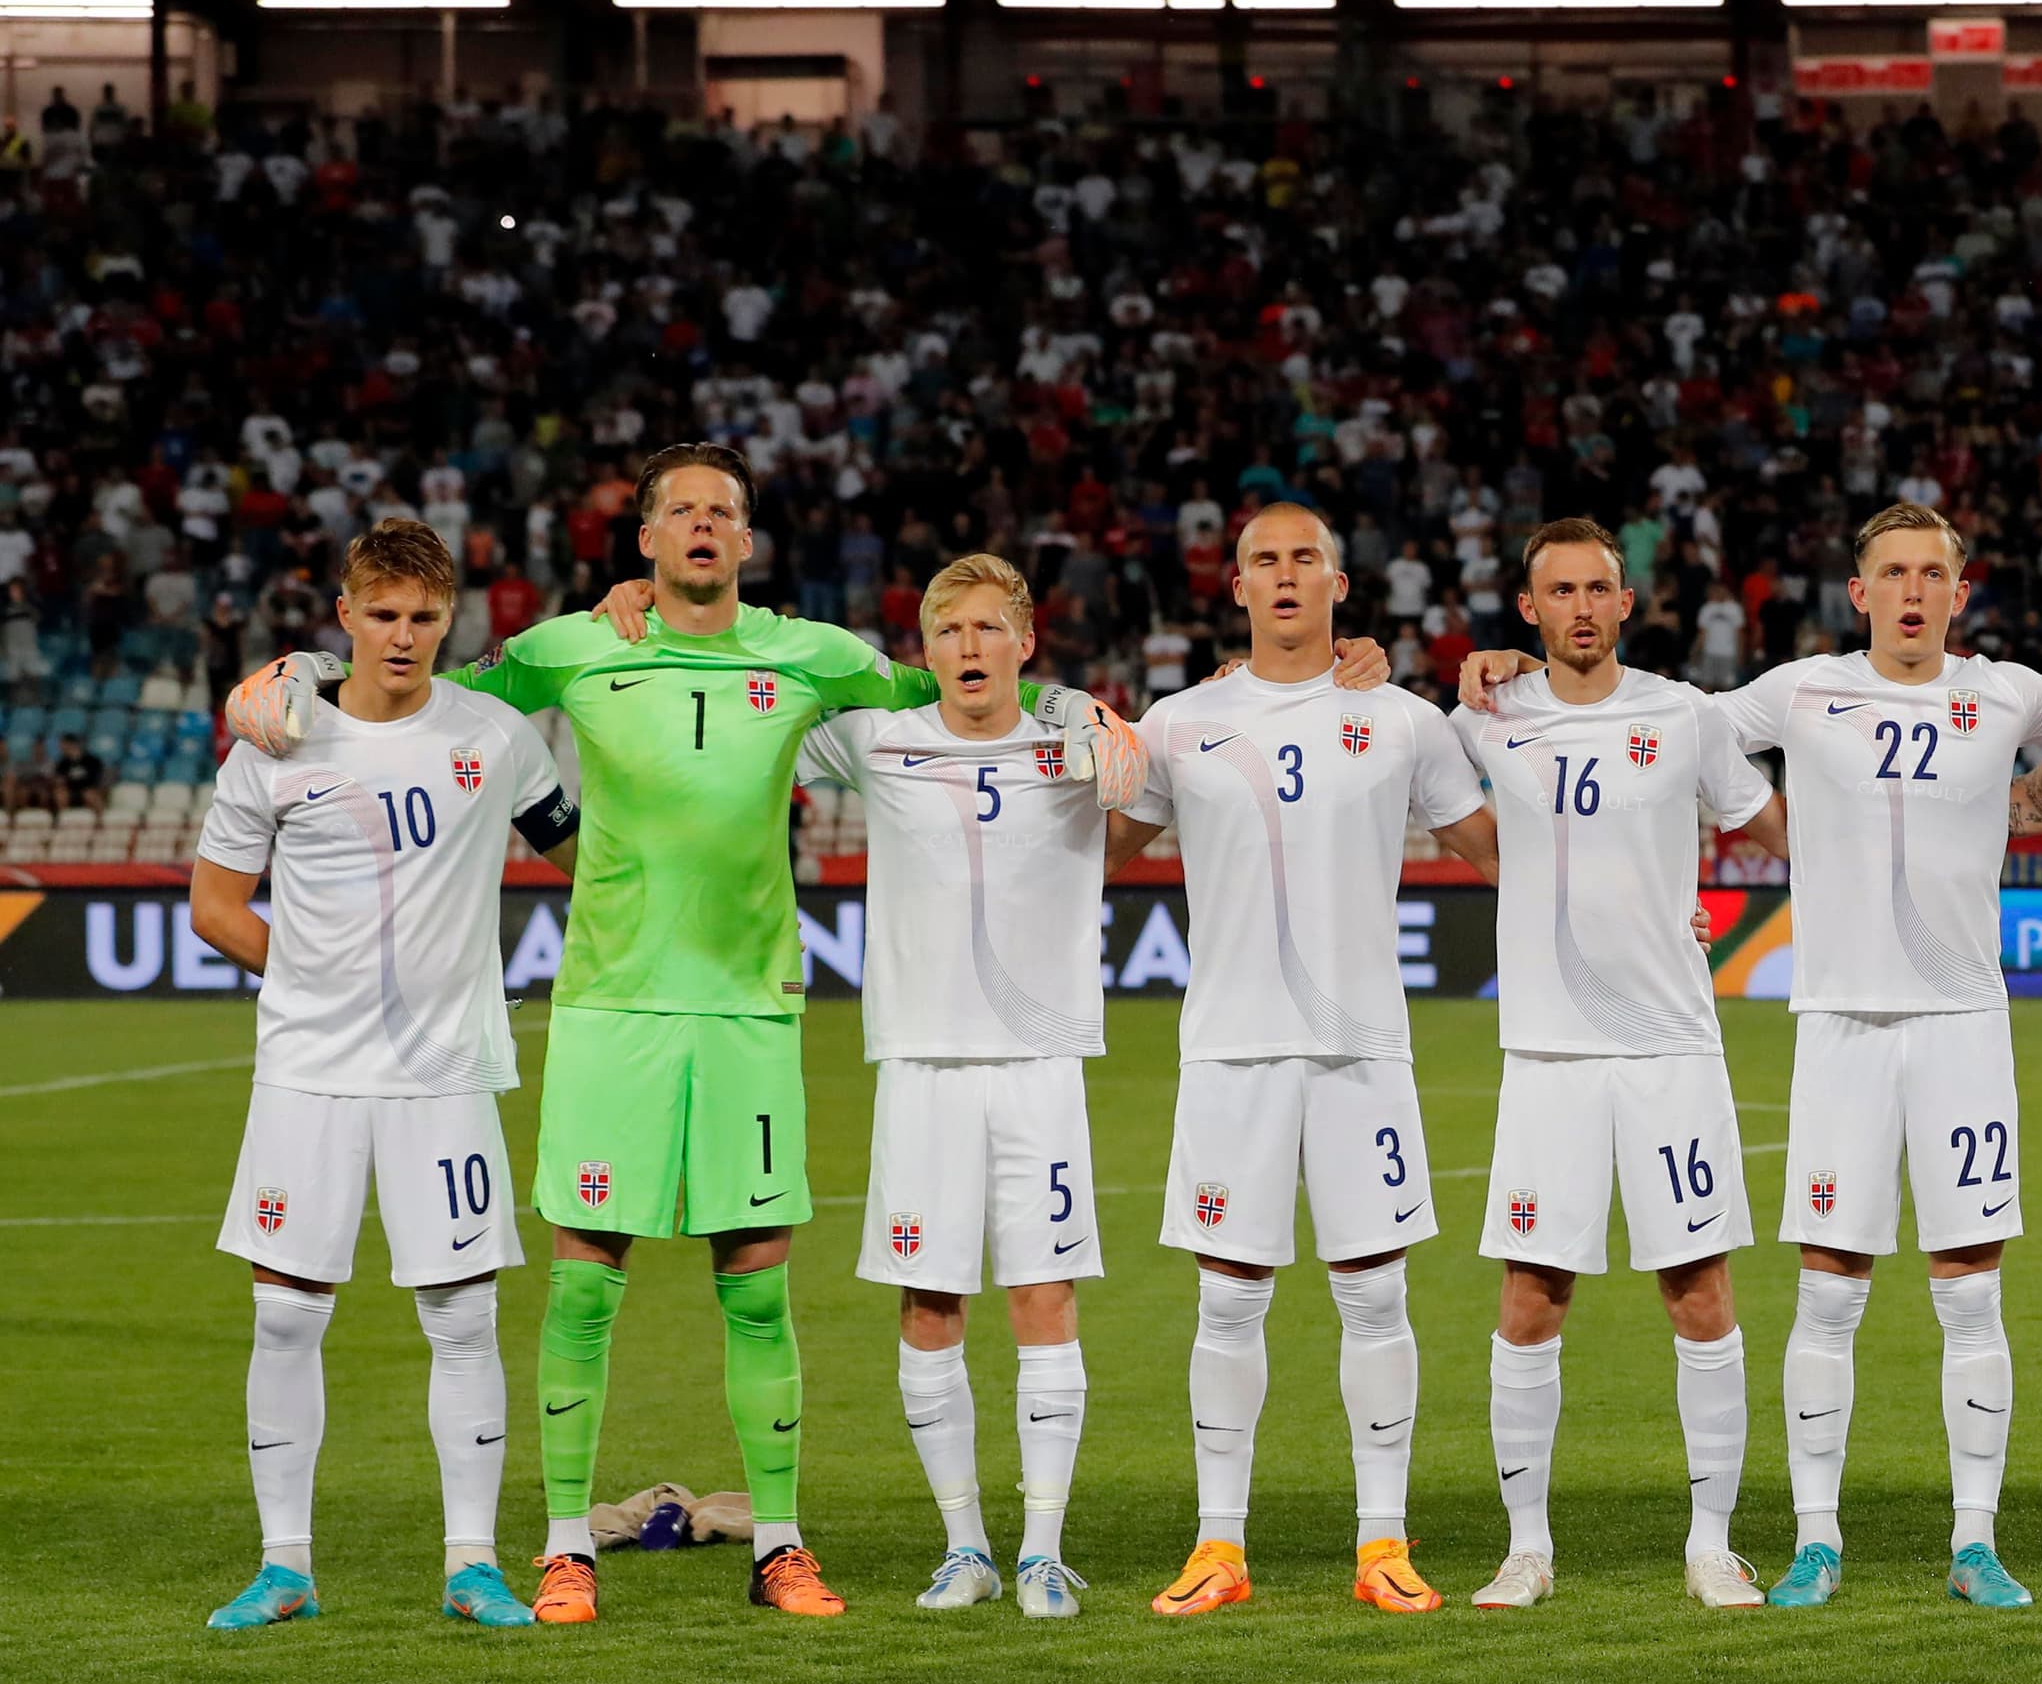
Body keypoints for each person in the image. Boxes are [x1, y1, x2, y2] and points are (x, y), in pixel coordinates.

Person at [225, 442, 1138, 1623]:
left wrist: (1071, 702)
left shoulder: (813, 655)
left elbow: (963, 688)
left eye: (723, 510)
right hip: (610, 1004)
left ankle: (782, 1548)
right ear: (646, 537)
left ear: (746, 539)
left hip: (749, 1007)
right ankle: (566, 1550)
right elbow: (419, 681)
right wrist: (297, 667)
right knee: (583, 1286)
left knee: (756, 1289)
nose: (703, 524)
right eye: (681, 509)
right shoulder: (572, 645)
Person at [1474, 502, 2042, 1607]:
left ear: (1961, 590)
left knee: (1971, 1293)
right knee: (1827, 1291)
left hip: (1965, 1024)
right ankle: (1816, 1541)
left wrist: (2033, 799)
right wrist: (1524, 669)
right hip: (1839, 1025)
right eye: (1892, 572)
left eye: (1931, 573)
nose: (1912, 591)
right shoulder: (1797, 691)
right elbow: (1641, 731)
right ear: (1859, 592)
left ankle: (1976, 1542)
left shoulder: (2010, 692)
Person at [189, 521, 576, 1628]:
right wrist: (315, 977)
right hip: (307, 1071)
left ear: (449, 621)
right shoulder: (277, 737)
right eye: (383, 614)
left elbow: (592, 864)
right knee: (284, 1318)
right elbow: (216, 908)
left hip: (443, 1074)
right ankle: (285, 1568)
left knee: (462, 1317)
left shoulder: (496, 737)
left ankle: (472, 1565)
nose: (402, 636)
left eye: (423, 617)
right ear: (346, 617)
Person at [1114, 503, 1498, 1619]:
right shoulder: (1179, 723)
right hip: (1231, 1050)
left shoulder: (1402, 718)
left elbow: (1505, 855)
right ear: (1236, 587)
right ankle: (1218, 1545)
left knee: (1375, 1294)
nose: (1284, 575)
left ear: (1339, 583)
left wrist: (1650, 907)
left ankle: (1383, 1540)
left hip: (1360, 1049)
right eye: (1263, 561)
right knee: (1226, 1300)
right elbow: (1091, 850)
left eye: (1305, 558)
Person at [1449, 519, 1790, 1610]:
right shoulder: (1484, 715)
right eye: (1561, 591)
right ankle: (1526, 1550)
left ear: (1628, 602)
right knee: (1530, 1299)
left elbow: (1782, 831)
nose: (1582, 607)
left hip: (1669, 1049)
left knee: (1699, 1293)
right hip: (1547, 1053)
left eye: (1599, 588)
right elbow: (1400, 775)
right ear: (1529, 608)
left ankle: (1711, 1545)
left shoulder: (1685, 715)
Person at [794, 555, 1118, 1622]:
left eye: (988, 628)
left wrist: (1080, 711)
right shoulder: (875, 740)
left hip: (1041, 1062)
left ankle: (1042, 1552)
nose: (969, 647)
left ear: (1026, 642)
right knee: (930, 1298)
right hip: (921, 1061)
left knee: (1043, 1294)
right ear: (923, 648)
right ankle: (964, 1546)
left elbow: (1172, 760)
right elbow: (760, 712)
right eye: (949, 630)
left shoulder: (1079, 744)